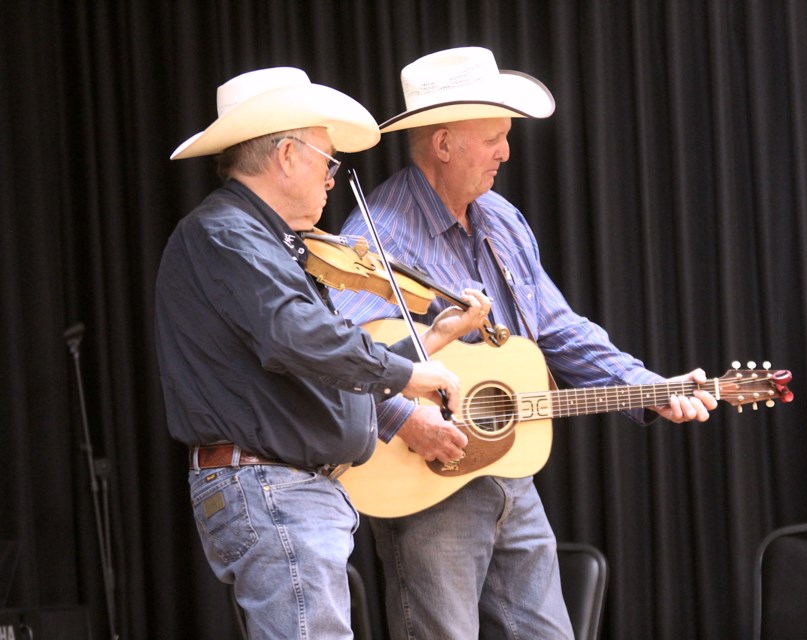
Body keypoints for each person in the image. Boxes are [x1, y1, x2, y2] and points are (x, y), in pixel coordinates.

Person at [330, 47, 720, 639]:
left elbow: (559, 328)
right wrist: (409, 422)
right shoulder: (376, 237)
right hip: (427, 483)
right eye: (493, 138)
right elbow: (349, 360)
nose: (506, 152)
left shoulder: (502, 219)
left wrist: (646, 385)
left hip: (511, 473)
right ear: (443, 144)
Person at [154, 66, 491, 639]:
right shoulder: (229, 235)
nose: (334, 179)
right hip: (270, 486)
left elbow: (317, 366)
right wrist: (408, 373)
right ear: (287, 155)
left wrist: (432, 339)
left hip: (282, 487)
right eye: (327, 160)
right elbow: (300, 339)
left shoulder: (263, 240)